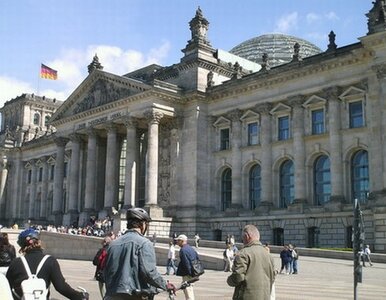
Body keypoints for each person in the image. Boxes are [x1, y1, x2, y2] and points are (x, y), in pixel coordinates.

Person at [104, 207, 175, 299]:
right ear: (143, 224)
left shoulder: (113, 244)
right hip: (133, 296)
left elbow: (107, 272)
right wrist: (165, 285)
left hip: (111, 295)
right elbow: (149, 272)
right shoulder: (144, 243)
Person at [6, 228, 88, 299]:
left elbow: (6, 287)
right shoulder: (50, 261)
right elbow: (61, 287)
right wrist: (80, 296)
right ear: (39, 242)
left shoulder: (16, 263)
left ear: (22, 247)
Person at [227, 225, 275, 300]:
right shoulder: (268, 255)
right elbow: (273, 277)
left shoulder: (243, 253)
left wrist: (229, 280)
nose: (242, 241)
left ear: (247, 236)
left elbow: (238, 276)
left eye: (242, 238)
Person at [175, 234, 200, 300]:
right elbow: (197, 258)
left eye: (178, 240)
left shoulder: (183, 250)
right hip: (194, 271)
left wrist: (190, 273)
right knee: (189, 289)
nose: (177, 242)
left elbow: (186, 263)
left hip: (188, 274)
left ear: (182, 241)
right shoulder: (191, 248)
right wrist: (195, 273)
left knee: (188, 291)